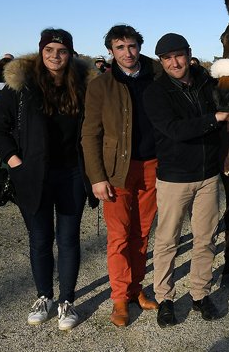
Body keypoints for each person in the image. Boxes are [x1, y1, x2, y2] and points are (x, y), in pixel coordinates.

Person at [0, 29, 98, 330]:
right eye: (49, 50)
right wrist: (15, 161)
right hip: (33, 174)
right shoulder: (22, 86)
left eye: (62, 50)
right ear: (41, 52)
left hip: (72, 174)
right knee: (40, 239)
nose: (55, 56)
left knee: (68, 239)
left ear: (70, 54)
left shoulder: (84, 86)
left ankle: (67, 300)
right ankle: (44, 296)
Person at [143, 33, 229, 327]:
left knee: (206, 238)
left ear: (188, 54)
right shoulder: (155, 92)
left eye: (178, 55)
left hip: (208, 175)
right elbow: (175, 130)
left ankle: (200, 293)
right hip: (175, 178)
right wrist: (216, 118)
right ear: (161, 61)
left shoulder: (206, 83)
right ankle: (165, 298)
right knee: (167, 240)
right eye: (167, 58)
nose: (174, 62)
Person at [81, 25, 162, 327]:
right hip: (117, 171)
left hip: (152, 166)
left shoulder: (158, 76)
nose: (127, 53)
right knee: (119, 236)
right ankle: (119, 297)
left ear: (139, 47)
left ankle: (135, 288)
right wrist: (97, 177)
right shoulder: (101, 85)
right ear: (110, 51)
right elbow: (90, 134)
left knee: (141, 234)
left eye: (132, 46)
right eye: (120, 47)